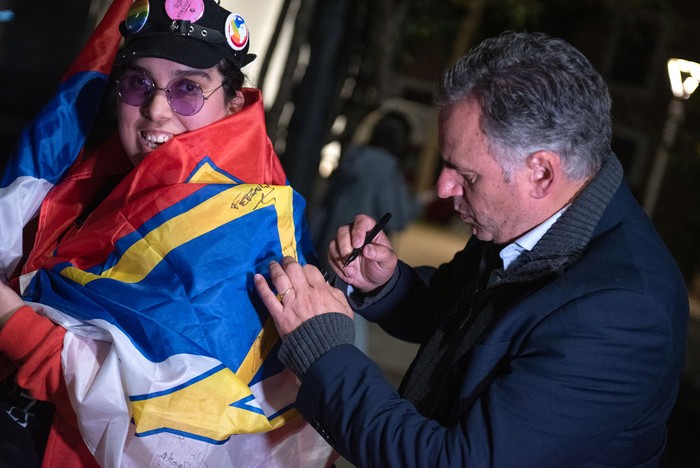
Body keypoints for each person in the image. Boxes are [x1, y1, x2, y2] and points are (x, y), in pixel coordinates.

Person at [254, 31, 690, 467]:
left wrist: (324, 353)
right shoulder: (529, 220)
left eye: (465, 174)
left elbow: (456, 461)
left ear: (540, 172)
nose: (443, 188)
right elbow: (460, 315)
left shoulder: (624, 312)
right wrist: (387, 284)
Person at [0, 0, 332, 467]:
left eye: (187, 90)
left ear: (234, 102)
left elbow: (172, 427)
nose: (156, 109)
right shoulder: (101, 170)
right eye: (139, 83)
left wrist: (13, 321)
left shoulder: (245, 229)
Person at [310, 110, 421, 272]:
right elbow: (396, 218)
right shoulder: (387, 165)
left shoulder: (353, 155)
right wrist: (418, 203)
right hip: (358, 250)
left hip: (327, 239)